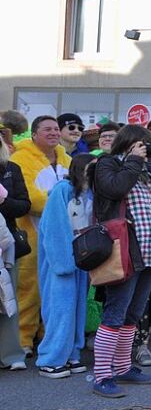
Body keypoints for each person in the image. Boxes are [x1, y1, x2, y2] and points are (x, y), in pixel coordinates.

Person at [91, 125, 151, 397]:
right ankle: (102, 375)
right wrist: (133, 160)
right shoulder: (107, 164)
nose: (147, 148)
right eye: (142, 143)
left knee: (134, 313)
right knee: (115, 313)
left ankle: (122, 367)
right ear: (127, 144)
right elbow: (115, 189)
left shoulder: (149, 169)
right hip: (125, 251)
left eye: (148, 144)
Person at [10, 116, 72, 353]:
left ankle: (49, 336)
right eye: (47, 129)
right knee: (28, 290)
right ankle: (23, 340)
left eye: (56, 129)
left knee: (55, 290)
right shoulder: (20, 159)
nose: (54, 133)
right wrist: (63, 206)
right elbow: (31, 199)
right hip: (32, 235)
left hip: (62, 237)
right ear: (34, 134)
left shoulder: (66, 158)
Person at [34, 155, 94, 377]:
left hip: (83, 258)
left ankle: (72, 354)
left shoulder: (92, 193)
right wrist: (63, 262)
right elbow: (54, 228)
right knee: (60, 308)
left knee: (78, 308)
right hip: (61, 261)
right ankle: (50, 358)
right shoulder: (62, 190)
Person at [0, 138, 29, 369]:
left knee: (8, 299)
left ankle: (11, 355)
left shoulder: (11, 168)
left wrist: (2, 200)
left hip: (6, 244)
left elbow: (23, 205)